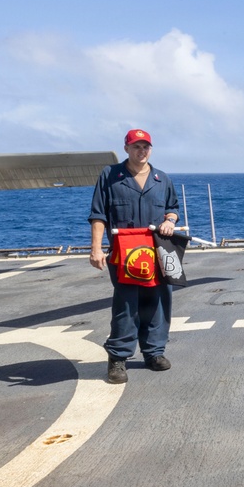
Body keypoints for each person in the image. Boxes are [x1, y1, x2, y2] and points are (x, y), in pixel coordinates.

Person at [89, 128, 180, 384]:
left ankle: (154, 352)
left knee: (159, 302)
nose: (141, 151)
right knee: (126, 305)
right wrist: (95, 249)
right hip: (124, 254)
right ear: (127, 148)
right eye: (136, 146)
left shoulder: (162, 179)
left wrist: (170, 221)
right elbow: (98, 214)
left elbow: (172, 208)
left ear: (150, 149)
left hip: (157, 252)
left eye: (146, 147)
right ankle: (117, 357)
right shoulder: (110, 175)